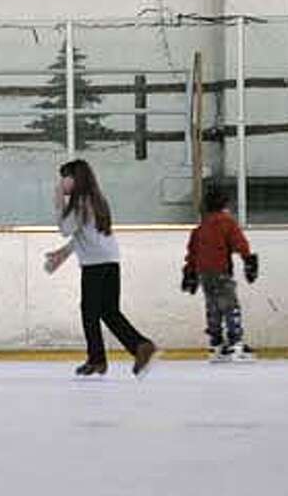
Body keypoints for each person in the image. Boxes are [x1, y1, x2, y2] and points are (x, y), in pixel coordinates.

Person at [43, 159, 159, 379]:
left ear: (74, 179)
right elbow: (83, 234)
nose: (61, 183)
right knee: (108, 311)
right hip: (110, 260)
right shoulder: (95, 199)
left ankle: (100, 358)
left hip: (95, 265)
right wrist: (63, 253)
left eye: (64, 177)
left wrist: (58, 203)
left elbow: (65, 229)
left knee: (90, 311)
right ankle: (139, 346)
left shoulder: (79, 202)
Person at [181, 187, 259, 362]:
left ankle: (216, 344)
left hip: (204, 273)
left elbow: (193, 251)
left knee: (213, 307)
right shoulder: (226, 222)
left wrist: (190, 272)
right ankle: (235, 344)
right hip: (221, 270)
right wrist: (248, 260)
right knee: (230, 306)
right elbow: (239, 242)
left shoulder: (201, 227)